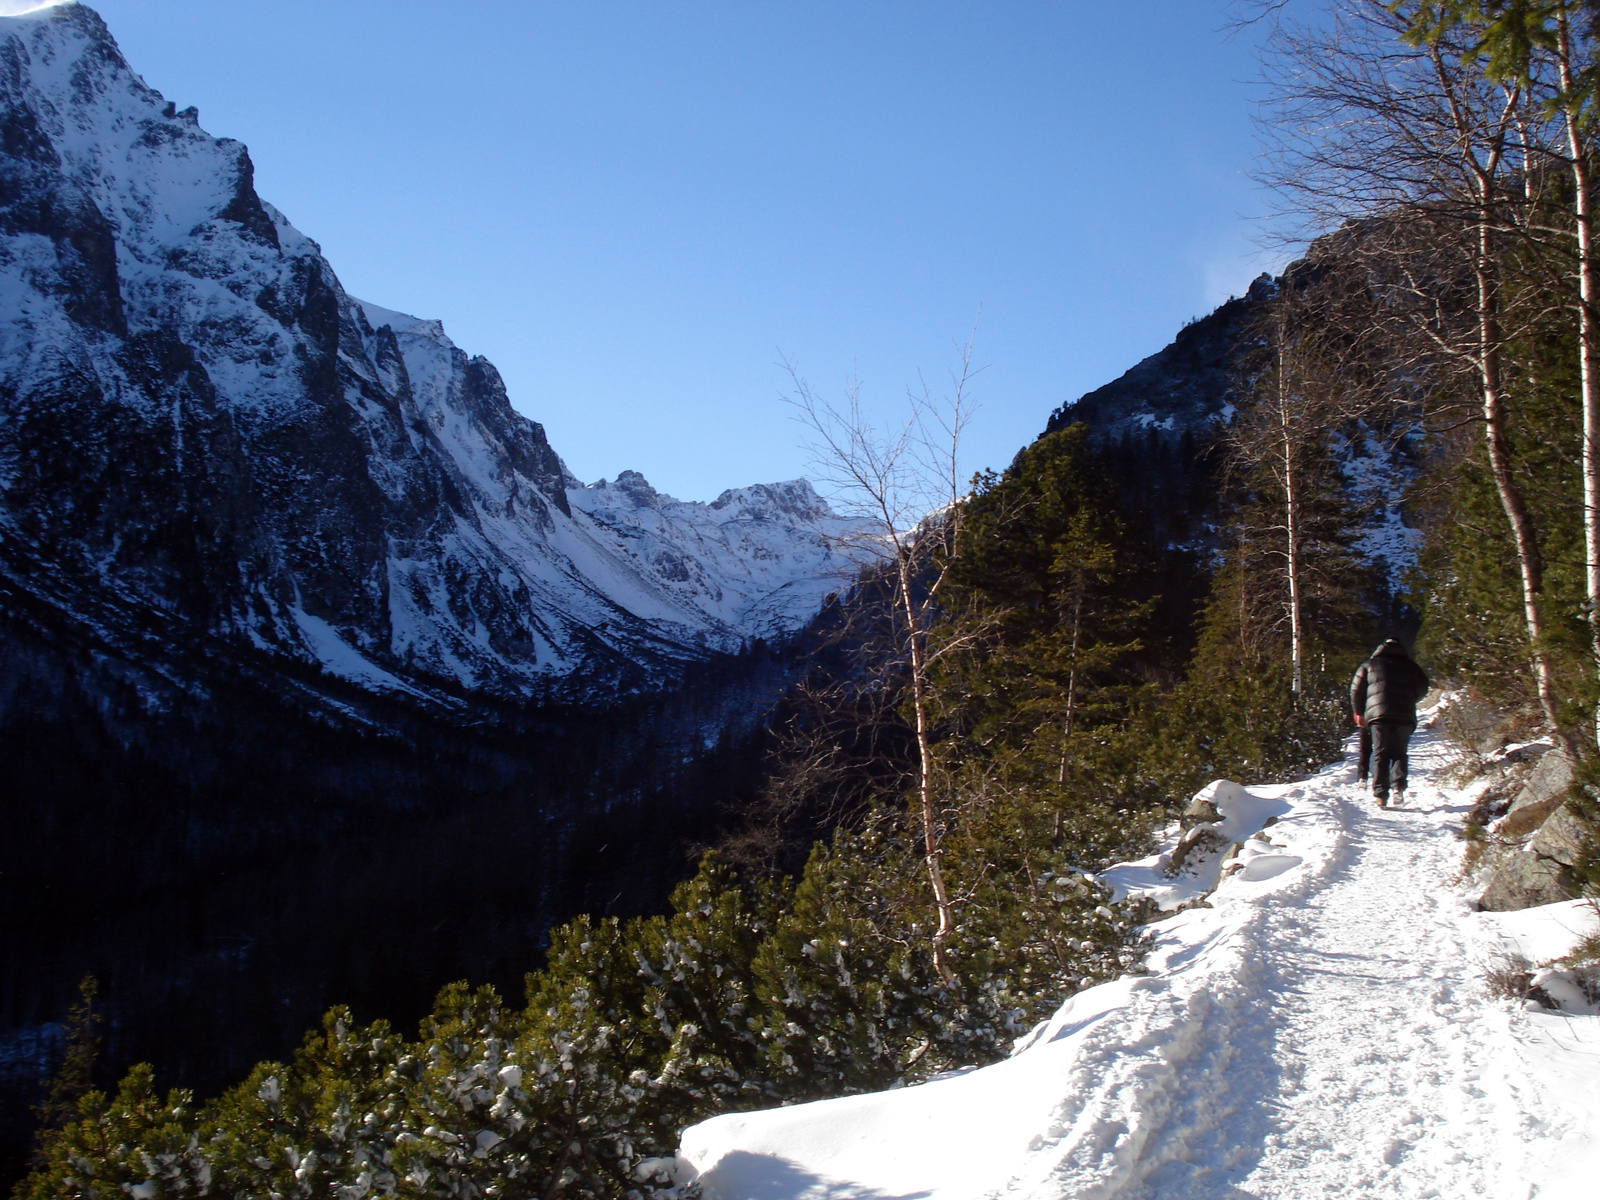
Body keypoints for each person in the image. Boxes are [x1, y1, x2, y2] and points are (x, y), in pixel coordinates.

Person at [1350, 638, 1430, 807]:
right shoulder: (1412, 667)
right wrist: (1410, 700)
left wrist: (1358, 711)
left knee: (1380, 752)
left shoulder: (1369, 665)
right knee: (1400, 753)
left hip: (1378, 716)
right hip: (1404, 715)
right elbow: (1423, 688)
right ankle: (1398, 789)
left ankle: (1381, 794)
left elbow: (1356, 689)